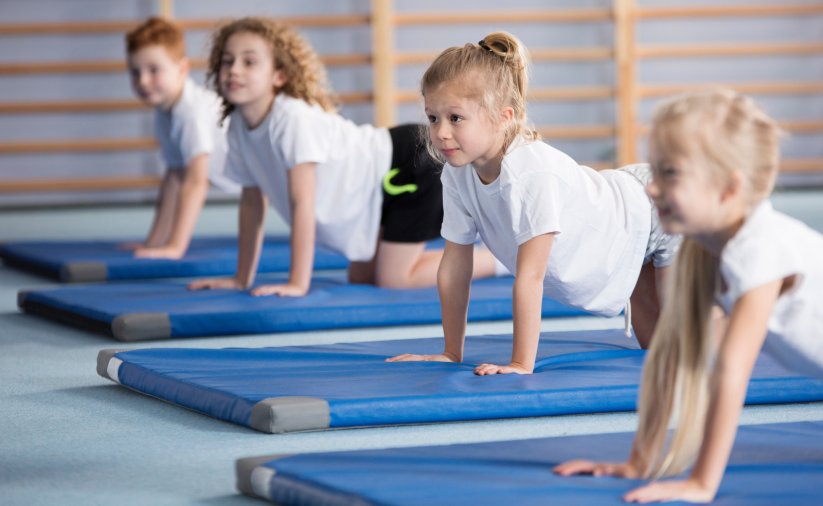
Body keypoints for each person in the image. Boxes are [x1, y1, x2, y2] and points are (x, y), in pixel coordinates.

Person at [553, 89, 823, 503]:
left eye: (670, 174)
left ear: (729, 188)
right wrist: (640, 461)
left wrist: (702, 482)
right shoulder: (703, 251)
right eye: (655, 172)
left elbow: (731, 372)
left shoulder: (759, 249)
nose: (651, 189)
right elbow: (671, 357)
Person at [387, 32, 679, 374]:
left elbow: (530, 277)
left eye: (456, 118)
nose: (440, 133)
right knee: (656, 353)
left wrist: (520, 363)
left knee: (684, 343)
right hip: (624, 231)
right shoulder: (456, 174)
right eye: (432, 117)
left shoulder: (529, 175)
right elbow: (454, 265)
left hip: (655, 209)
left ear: (503, 117)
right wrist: (452, 352)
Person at [189, 17, 497, 297]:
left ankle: (496, 260)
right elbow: (252, 202)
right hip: (374, 191)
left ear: (279, 75)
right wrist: (241, 279)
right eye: (227, 61)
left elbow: (302, 204)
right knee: (362, 278)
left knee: (394, 279)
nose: (234, 70)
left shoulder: (291, 119)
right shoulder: (237, 127)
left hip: (408, 165)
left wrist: (298, 282)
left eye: (249, 62)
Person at [124, 17, 238, 259]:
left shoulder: (190, 113)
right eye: (135, 72)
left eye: (154, 70)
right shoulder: (165, 111)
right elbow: (175, 176)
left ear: (182, 69)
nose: (143, 81)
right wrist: (154, 242)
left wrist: (175, 247)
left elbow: (196, 182)